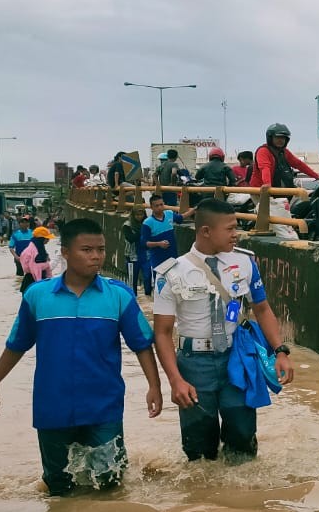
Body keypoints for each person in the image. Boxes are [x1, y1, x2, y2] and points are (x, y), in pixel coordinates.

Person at [0, 218, 161, 496]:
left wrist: (154, 386)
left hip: (103, 407)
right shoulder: (37, 296)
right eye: (86, 250)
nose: (96, 257)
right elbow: (17, 345)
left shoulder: (119, 296)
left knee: (110, 486)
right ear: (65, 252)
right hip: (52, 407)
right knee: (58, 488)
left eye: (100, 249)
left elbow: (141, 345)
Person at [152, 198, 293, 462]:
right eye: (229, 228)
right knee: (199, 449)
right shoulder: (172, 273)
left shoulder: (245, 263)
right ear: (206, 231)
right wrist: (175, 380)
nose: (235, 233)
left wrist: (281, 351)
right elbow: (161, 332)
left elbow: (262, 309)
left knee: (243, 437)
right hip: (194, 365)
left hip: (236, 359)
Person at [141, 194, 183, 275]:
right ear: (151, 207)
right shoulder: (148, 223)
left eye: (161, 204)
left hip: (173, 258)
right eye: (157, 206)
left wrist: (194, 210)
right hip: (158, 261)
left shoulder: (169, 214)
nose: (160, 207)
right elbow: (144, 243)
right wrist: (159, 244)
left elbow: (181, 218)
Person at [123, 206, 152, 297]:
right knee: (132, 279)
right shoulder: (127, 225)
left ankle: (148, 295)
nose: (139, 217)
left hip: (146, 255)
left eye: (141, 214)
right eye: (137, 215)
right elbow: (131, 238)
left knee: (148, 276)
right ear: (133, 215)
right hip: (132, 256)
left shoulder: (148, 223)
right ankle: (133, 297)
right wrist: (142, 231)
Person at [19, 226, 54, 294]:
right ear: (41, 239)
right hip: (32, 281)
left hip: (40, 279)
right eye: (47, 238)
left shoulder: (40, 249)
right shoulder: (31, 252)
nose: (48, 240)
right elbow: (30, 268)